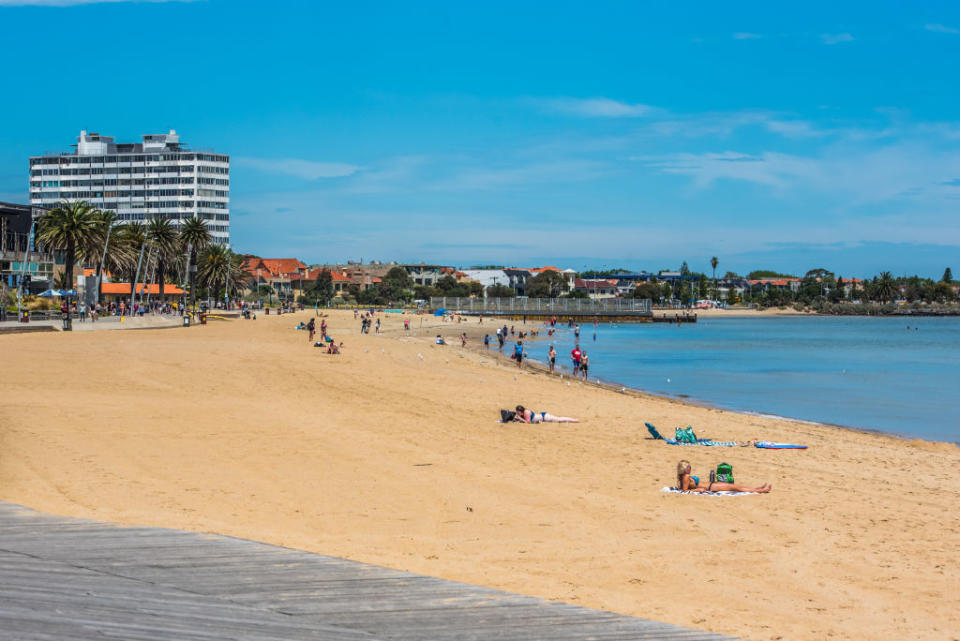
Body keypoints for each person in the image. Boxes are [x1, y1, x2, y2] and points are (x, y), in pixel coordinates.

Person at [676, 460, 771, 493]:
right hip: (712, 487)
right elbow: (684, 491)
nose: (690, 468)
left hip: (712, 484)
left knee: (737, 487)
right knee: (736, 488)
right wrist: (698, 490)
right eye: (688, 467)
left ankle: (756, 488)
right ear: (684, 469)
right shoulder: (686, 477)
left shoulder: (685, 476)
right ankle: (761, 490)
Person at [514, 405, 579, 423]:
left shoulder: (526, 412)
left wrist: (520, 418)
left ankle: (575, 420)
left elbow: (528, 422)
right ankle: (574, 420)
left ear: (521, 411)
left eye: (518, 412)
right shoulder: (522, 413)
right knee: (560, 420)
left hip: (545, 417)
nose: (517, 413)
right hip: (543, 418)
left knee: (559, 419)